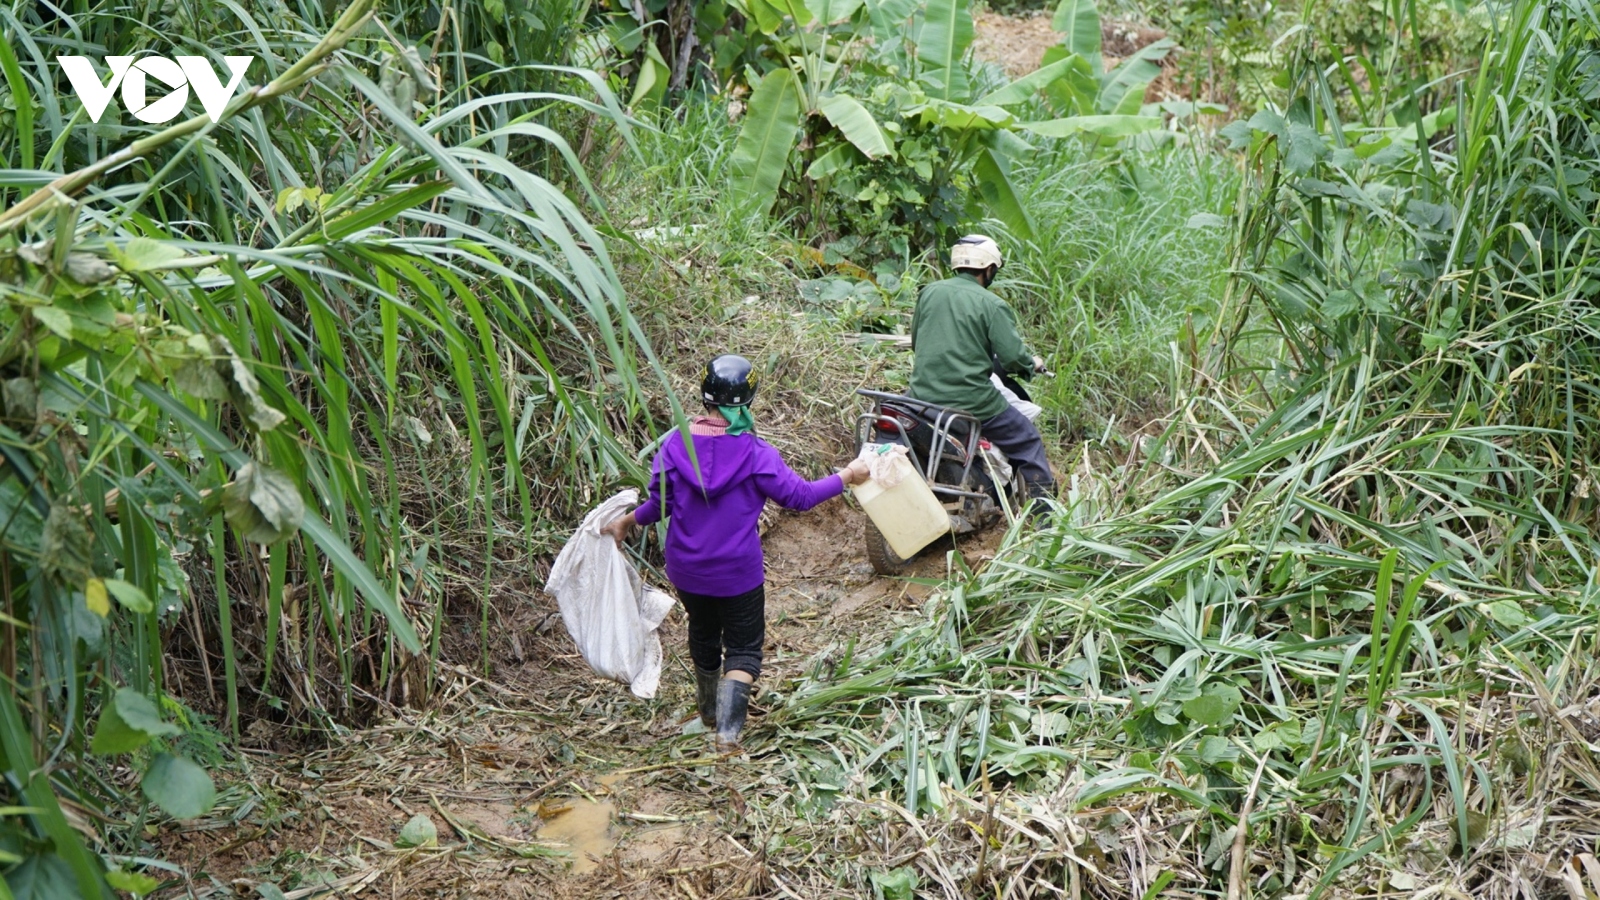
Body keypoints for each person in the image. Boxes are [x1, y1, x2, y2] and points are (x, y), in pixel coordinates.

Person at [602, 354, 871, 749]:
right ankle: (727, 736)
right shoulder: (757, 454)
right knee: (743, 650)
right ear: (748, 400)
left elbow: (661, 505)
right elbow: (800, 497)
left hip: (687, 570)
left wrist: (628, 521)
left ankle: (708, 713)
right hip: (737, 573)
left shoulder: (675, 445)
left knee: (703, 630)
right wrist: (847, 475)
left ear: (705, 396)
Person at [908, 234, 1055, 506]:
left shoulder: (928, 293)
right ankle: (1045, 517)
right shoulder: (991, 304)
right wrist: (1030, 363)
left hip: (919, 397)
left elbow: (918, 342)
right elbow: (1012, 358)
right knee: (1027, 441)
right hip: (971, 400)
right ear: (989, 269)